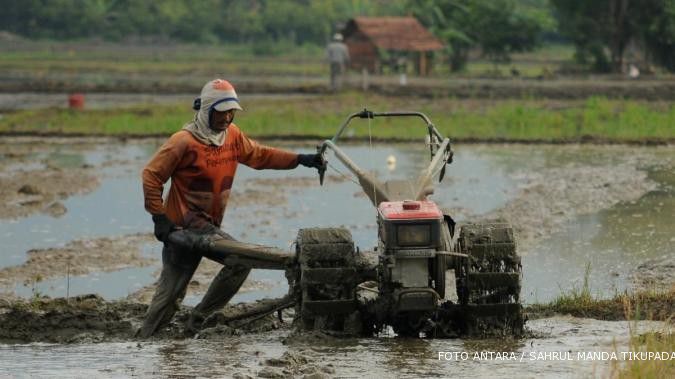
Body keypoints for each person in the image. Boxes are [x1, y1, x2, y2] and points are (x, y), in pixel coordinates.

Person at [137, 79, 323, 338]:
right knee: (169, 296)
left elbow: (260, 155)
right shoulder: (183, 141)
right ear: (207, 110)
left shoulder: (232, 136)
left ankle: (197, 323)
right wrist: (160, 219)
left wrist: (301, 159)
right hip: (182, 230)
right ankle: (142, 343)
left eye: (231, 111)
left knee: (239, 262)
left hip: (209, 228)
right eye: (221, 111)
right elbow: (151, 176)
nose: (227, 117)